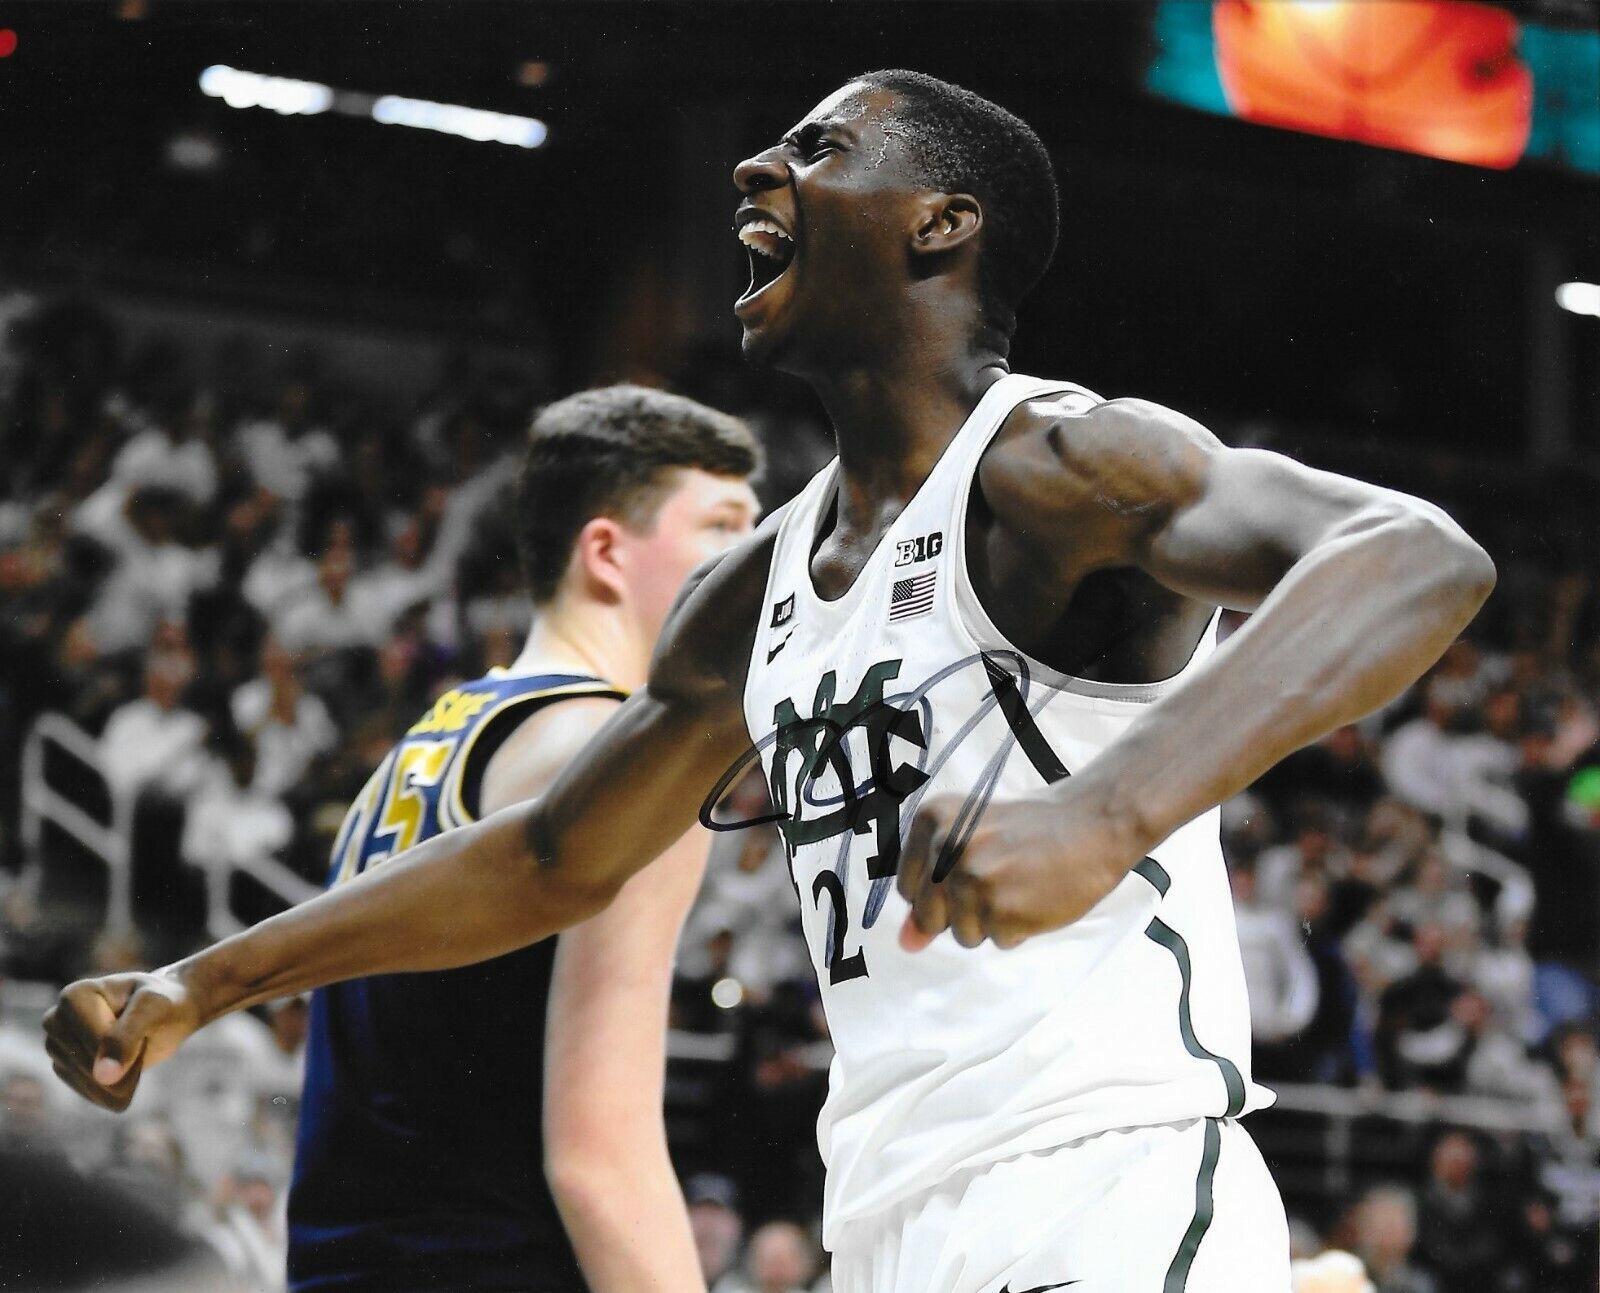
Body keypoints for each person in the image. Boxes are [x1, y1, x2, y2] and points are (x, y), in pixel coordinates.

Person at [46, 71, 1495, 1292]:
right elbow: (553, 855)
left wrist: (1106, 814)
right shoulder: (760, 589)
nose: (759, 162)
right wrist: (198, 979)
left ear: (943, 225)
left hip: (1103, 1180)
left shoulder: (1065, 463)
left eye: (820, 148)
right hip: (884, 1214)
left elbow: (1418, 556)